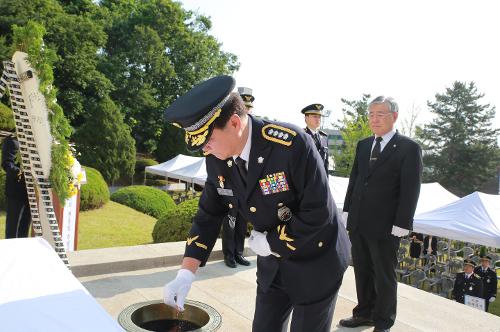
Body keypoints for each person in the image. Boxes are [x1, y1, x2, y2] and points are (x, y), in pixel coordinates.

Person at [162, 75, 350, 332]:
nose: (205, 149)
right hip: (273, 265)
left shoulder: (291, 145)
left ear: (235, 122)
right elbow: (209, 212)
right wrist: (186, 273)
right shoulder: (219, 156)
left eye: (208, 141)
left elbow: (317, 214)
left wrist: (270, 242)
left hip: (316, 260)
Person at [340, 96, 422, 332]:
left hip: (387, 226)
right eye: (371, 114)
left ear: (394, 116)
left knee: (384, 276)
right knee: (363, 271)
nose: (374, 119)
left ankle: (383, 321)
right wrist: (347, 211)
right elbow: (355, 179)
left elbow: (410, 189)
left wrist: (403, 223)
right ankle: (364, 313)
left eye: (380, 114)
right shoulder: (364, 144)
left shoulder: (408, 148)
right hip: (359, 221)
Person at [220, 86, 255, 268]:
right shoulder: (227, 128)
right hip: (230, 186)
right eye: (245, 108)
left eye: (250, 108)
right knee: (230, 222)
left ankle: (239, 253)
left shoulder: (253, 134)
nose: (248, 111)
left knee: (242, 222)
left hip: (245, 188)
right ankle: (229, 255)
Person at [2, 135, 31, 238]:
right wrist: (20, 172)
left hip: (30, 193)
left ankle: (22, 252)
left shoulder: (33, 141)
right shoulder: (11, 140)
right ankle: (10, 253)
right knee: (13, 230)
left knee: (24, 229)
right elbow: (7, 163)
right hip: (16, 192)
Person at [301, 104, 330, 174]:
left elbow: (326, 164)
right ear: (306, 118)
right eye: (315, 117)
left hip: (320, 180)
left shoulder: (324, 137)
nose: (318, 119)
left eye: (319, 117)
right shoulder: (301, 136)